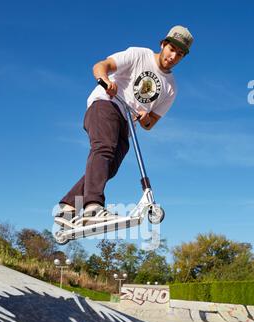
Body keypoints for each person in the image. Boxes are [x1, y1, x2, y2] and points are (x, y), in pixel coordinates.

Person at [55, 25, 193, 227]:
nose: (173, 56)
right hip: (106, 104)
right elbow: (101, 65)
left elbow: (150, 124)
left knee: (108, 167)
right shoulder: (139, 55)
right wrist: (104, 80)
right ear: (163, 44)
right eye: (172, 49)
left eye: (180, 54)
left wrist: (145, 117)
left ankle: (68, 208)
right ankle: (93, 207)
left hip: (127, 126)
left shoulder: (171, 87)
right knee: (103, 148)